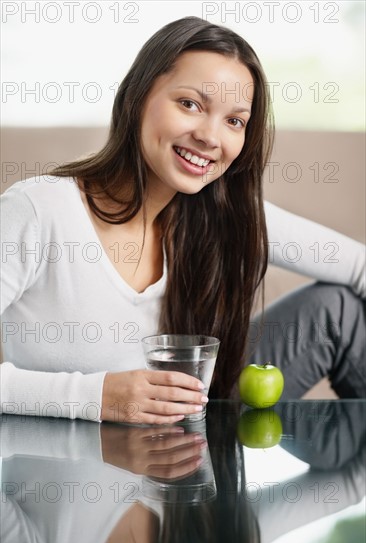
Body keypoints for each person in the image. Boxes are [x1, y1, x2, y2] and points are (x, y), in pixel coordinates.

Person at [1, 17, 365, 425]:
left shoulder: (224, 213)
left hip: (195, 437)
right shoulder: (39, 210)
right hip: (81, 469)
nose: (211, 137)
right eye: (190, 104)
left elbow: (358, 265)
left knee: (336, 310)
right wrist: (97, 395)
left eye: (234, 121)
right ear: (137, 97)